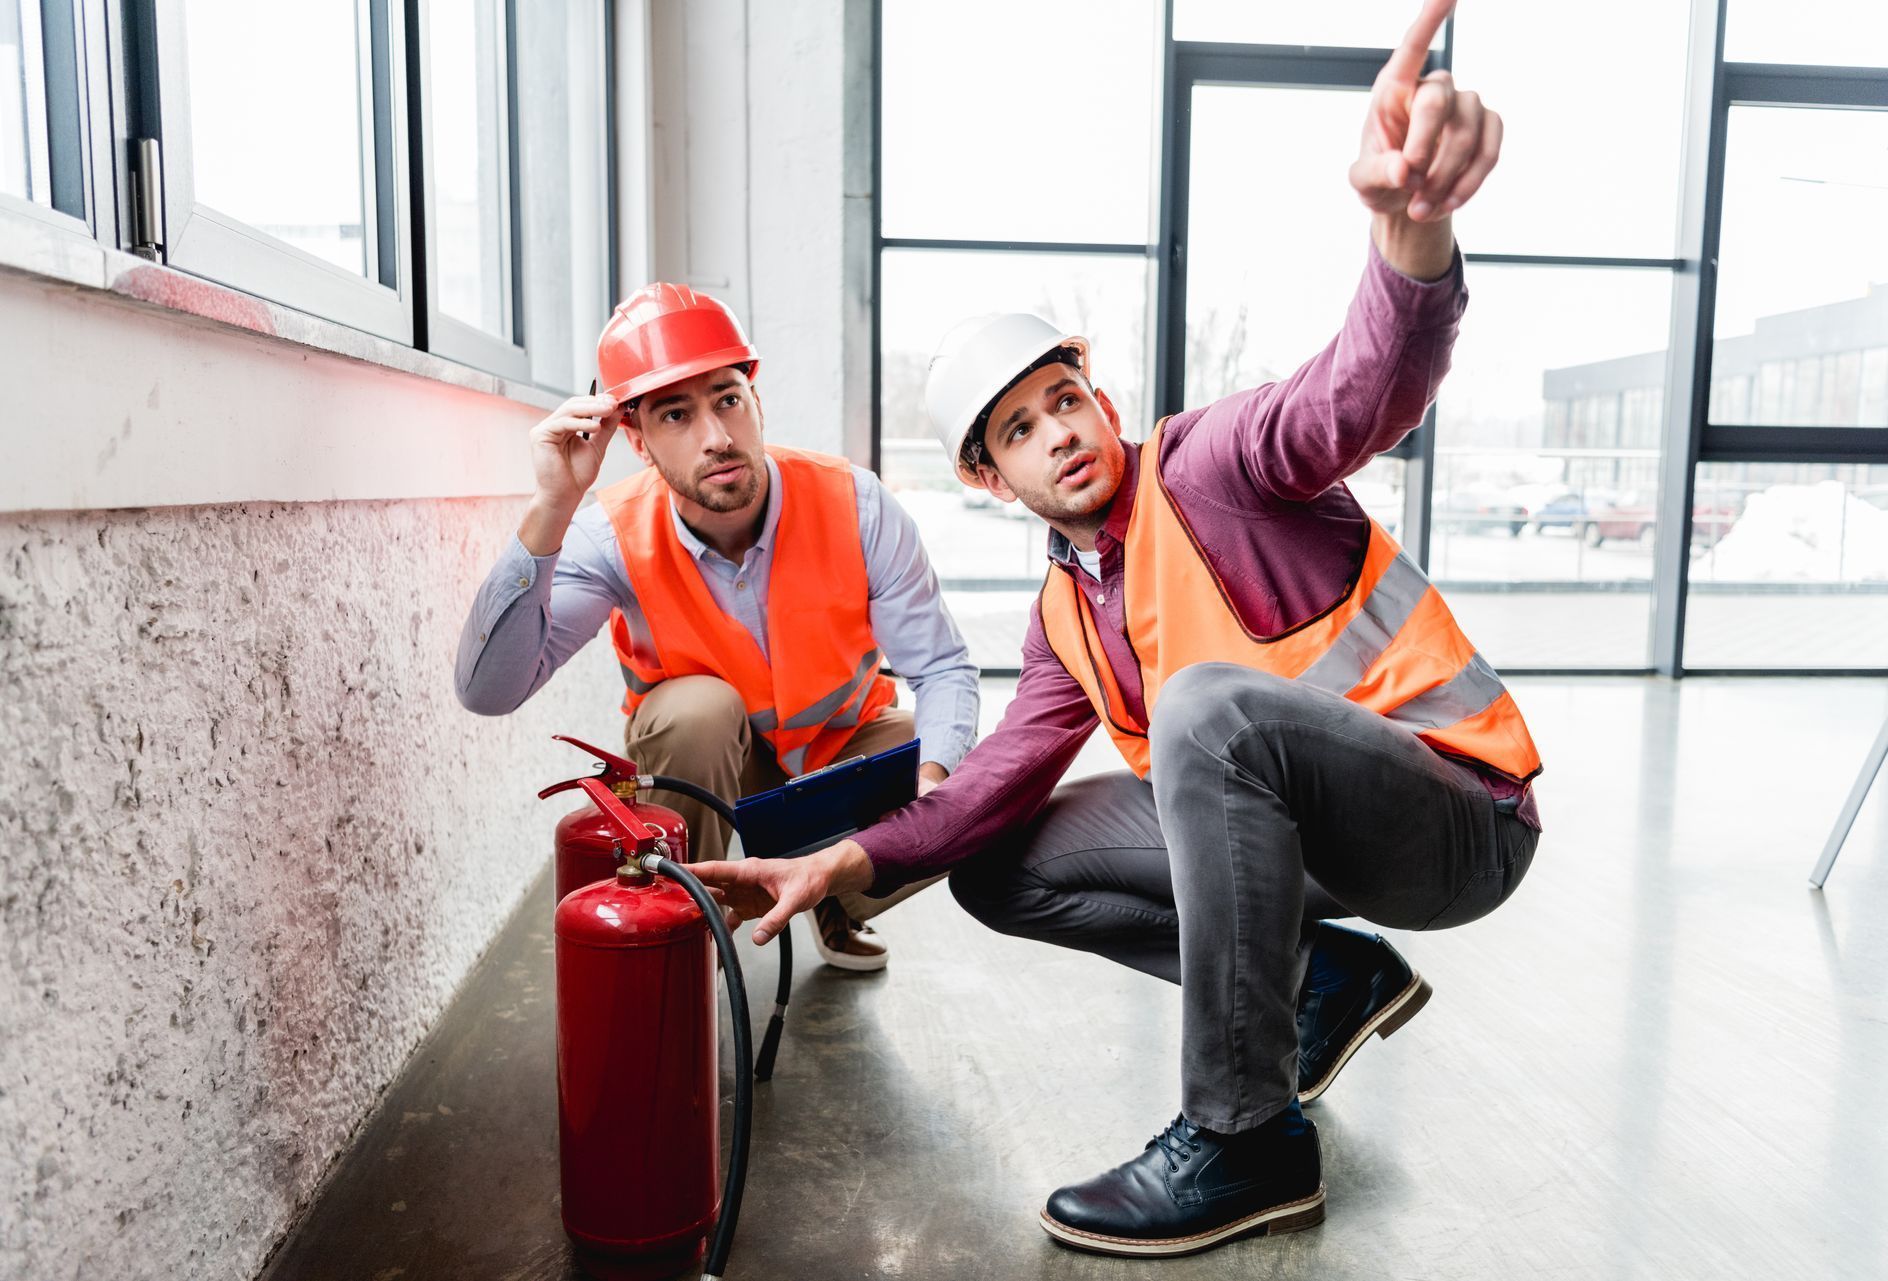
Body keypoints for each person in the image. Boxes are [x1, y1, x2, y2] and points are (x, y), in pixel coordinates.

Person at [688, 0, 1542, 1257]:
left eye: (1067, 399)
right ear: (992, 478)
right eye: (1023, 430)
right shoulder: (1063, 614)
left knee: (1201, 703)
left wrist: (1411, 240)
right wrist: (849, 862)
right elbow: (988, 786)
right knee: (996, 862)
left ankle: (1248, 1134)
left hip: (1455, 821)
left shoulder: (1216, 467)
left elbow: (1363, 389)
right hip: (1320, 845)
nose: (1064, 434)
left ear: (1103, 396)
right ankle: (1324, 981)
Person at [455, 283, 978, 971]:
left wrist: (936, 787)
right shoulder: (608, 533)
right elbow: (488, 690)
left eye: (727, 399)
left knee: (958, 768)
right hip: (709, 777)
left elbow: (942, 670)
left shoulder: (856, 504)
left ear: (756, 400)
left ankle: (831, 891)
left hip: (835, 763)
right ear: (636, 440)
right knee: (695, 712)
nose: (717, 437)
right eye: (676, 414)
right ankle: (683, 938)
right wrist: (551, 507)